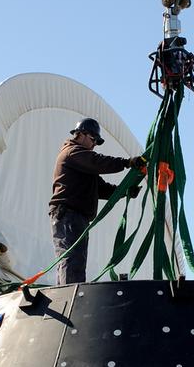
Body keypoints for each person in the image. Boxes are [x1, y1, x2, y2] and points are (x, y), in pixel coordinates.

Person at [49, 118, 145, 285]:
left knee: (75, 260)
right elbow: (97, 162)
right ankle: (70, 296)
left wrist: (124, 191)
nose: (94, 145)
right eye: (93, 140)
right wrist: (127, 163)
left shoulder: (82, 164)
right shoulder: (72, 152)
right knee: (72, 260)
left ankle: (70, 293)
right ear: (81, 134)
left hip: (76, 216)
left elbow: (101, 188)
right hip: (68, 214)